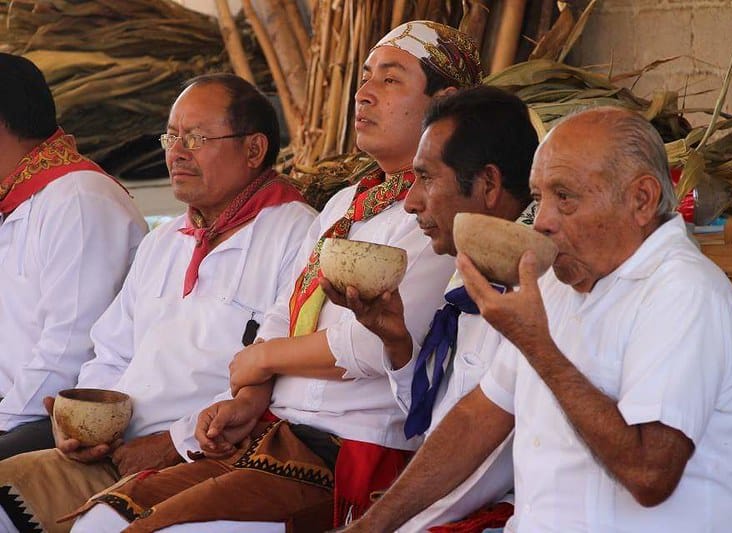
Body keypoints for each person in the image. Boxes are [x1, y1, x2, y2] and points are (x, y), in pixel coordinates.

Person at [69, 20, 483, 533]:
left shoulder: (444, 214)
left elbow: (379, 344)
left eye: (391, 79)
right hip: (273, 435)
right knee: (103, 518)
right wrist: (248, 397)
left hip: (347, 450)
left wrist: (260, 360)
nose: (366, 93)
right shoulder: (345, 203)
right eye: (366, 76)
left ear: (446, 103)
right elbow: (281, 313)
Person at [343, 106, 732, 532]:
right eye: (537, 197)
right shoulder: (555, 284)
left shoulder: (685, 293)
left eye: (564, 197)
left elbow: (650, 474)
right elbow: (477, 418)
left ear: (642, 199)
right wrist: (372, 525)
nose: (542, 221)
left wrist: (538, 347)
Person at [0, 73, 317, 533]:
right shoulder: (166, 239)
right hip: (112, 453)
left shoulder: (297, 234)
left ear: (254, 150)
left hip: (207, 459)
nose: (176, 151)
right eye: (172, 136)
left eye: (197, 137)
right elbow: (111, 351)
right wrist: (85, 422)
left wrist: (173, 441)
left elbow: (278, 381)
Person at [323, 85, 537, 531]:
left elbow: (477, 461)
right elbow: (434, 426)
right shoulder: (467, 281)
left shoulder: (532, 298)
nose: (410, 201)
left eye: (427, 178)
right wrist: (398, 344)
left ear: (489, 185)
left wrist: (378, 525)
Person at [0, 53, 148, 459]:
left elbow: (71, 350)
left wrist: (3, 421)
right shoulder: (19, 199)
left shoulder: (79, 200)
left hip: (61, 420)